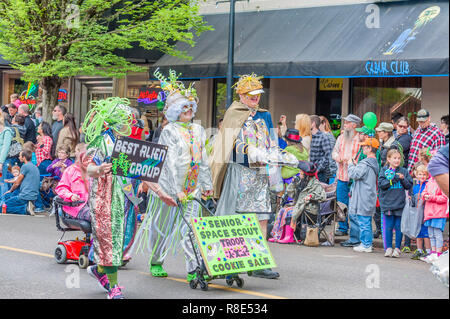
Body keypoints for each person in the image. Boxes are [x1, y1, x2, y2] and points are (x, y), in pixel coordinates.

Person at [130, 71, 213, 283]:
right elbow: (170, 164)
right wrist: (175, 190)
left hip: (192, 188)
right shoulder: (169, 131)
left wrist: (207, 184)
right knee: (162, 226)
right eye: (183, 107)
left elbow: (202, 159)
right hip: (168, 189)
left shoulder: (199, 129)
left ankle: (193, 267)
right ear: (176, 110)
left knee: (192, 228)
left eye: (190, 107)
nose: (188, 110)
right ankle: (156, 260)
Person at [210, 73, 293, 280]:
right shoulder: (234, 113)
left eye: (258, 94)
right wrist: (250, 151)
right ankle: (230, 265)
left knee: (262, 218)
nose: (256, 98)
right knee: (236, 218)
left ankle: (258, 262)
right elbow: (229, 144)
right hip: (240, 172)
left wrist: (278, 154)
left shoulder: (264, 115)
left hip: (261, 173)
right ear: (242, 95)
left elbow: (272, 140)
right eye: (251, 95)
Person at [270, 161, 325, 244]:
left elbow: (323, 196)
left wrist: (311, 196)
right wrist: (293, 183)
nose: (299, 174)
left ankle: (289, 236)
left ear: (306, 175)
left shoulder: (315, 184)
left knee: (288, 212)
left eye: (301, 173)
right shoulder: (301, 182)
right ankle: (278, 235)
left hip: (309, 209)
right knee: (282, 210)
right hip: (299, 207)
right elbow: (291, 193)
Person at [331, 114, 361, 241]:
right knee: (341, 203)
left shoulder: (360, 138)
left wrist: (351, 161)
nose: (344, 125)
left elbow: (362, 155)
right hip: (342, 176)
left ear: (354, 125)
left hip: (355, 178)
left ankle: (355, 230)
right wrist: (338, 158)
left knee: (355, 204)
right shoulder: (341, 137)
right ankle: (342, 228)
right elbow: (334, 151)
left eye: (347, 123)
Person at [378, 149, 413, 257]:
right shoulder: (384, 170)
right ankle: (388, 248)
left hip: (400, 204)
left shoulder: (403, 171)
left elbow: (409, 185)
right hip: (388, 203)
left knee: (399, 227)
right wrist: (395, 178)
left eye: (399, 158)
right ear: (388, 159)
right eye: (394, 158)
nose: (397, 160)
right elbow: (382, 184)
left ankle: (397, 248)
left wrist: (402, 179)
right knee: (388, 226)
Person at [347, 137, 380, 253]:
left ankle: (366, 244)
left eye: (364, 146)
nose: (362, 148)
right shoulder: (373, 162)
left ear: (369, 148)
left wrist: (350, 165)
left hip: (363, 196)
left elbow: (354, 174)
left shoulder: (365, 163)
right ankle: (366, 243)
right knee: (366, 220)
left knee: (363, 220)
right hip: (368, 195)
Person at [420, 157, 449, 263]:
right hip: (429, 212)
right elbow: (424, 192)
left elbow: (444, 197)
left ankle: (438, 253)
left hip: (439, 212)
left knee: (437, 233)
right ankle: (433, 253)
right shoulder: (430, 181)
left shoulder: (442, 181)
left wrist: (431, 197)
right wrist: (425, 195)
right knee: (430, 233)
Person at [407, 109, 446, 174]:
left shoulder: (437, 134)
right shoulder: (418, 129)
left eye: (424, 121)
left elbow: (439, 158)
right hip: (411, 170)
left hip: (424, 174)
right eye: (420, 121)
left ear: (429, 118)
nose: (421, 123)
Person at [3, 150, 40, 215]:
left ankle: (25, 209)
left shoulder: (25, 166)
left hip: (25, 196)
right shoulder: (35, 167)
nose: (18, 157)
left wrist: (10, 190)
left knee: (3, 207)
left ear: (24, 157)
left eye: (20, 156)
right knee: (11, 205)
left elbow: (17, 182)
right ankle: (28, 206)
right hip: (33, 197)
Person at [409, 164, 432, 260]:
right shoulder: (415, 187)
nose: (422, 176)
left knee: (426, 233)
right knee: (418, 232)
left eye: (424, 175)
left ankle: (429, 251)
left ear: (427, 176)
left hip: (425, 212)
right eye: (420, 174)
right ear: (416, 175)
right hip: (417, 213)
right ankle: (419, 250)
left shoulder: (428, 185)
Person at [309, 115, 333, 183]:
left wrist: (317, 169)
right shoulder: (309, 137)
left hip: (320, 174)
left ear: (313, 123)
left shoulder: (323, 137)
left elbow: (328, 155)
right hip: (308, 172)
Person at [319, 115, 337, 183]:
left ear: (323, 124)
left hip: (328, 172)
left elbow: (330, 155)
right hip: (322, 171)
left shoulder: (329, 137)